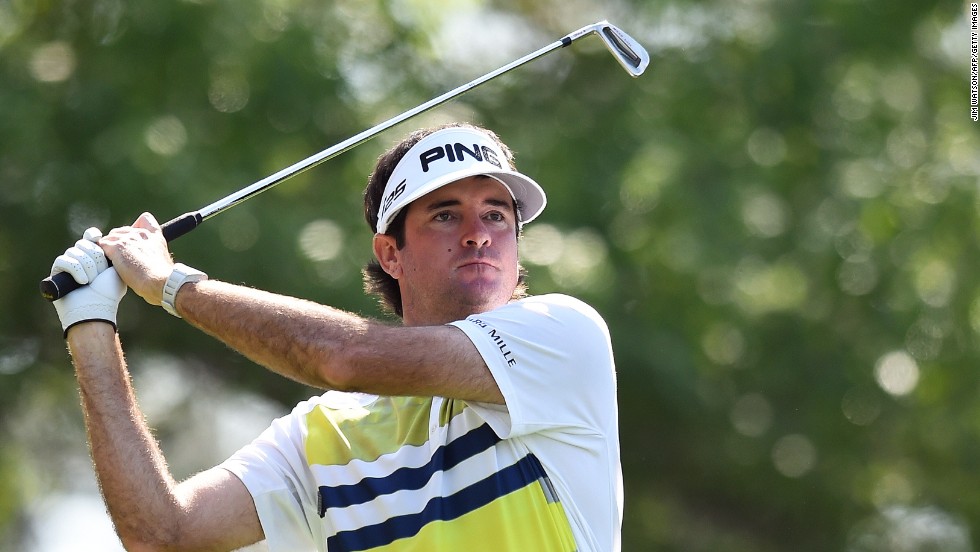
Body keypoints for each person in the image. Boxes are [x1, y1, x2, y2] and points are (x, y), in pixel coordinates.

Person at [50, 122, 622, 551]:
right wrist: (90, 324)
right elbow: (162, 531)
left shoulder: (563, 338)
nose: (478, 234)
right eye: (446, 215)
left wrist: (169, 283)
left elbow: (343, 356)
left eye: (497, 215)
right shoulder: (322, 436)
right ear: (391, 254)